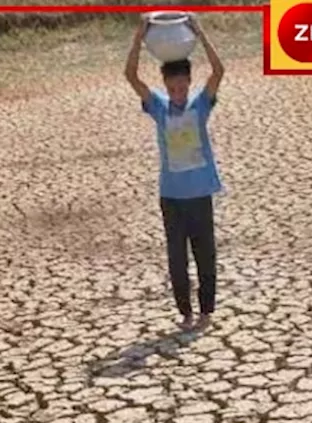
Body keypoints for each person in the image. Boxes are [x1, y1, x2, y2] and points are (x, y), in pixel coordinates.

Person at [124, 14, 225, 332]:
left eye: (183, 86)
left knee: (205, 254)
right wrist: (140, 36)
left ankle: (206, 310)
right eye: (173, 87)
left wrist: (200, 32)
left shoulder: (200, 105)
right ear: (166, 87)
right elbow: (130, 76)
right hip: (171, 197)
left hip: (200, 193)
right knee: (177, 259)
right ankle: (185, 313)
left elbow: (219, 71)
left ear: (189, 84)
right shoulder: (158, 106)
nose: (179, 92)